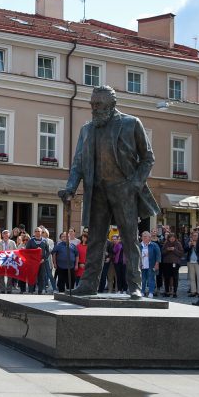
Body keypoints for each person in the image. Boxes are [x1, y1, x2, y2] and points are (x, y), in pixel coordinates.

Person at [59, 85, 159, 297]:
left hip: (124, 189)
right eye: (92, 104)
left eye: (99, 104)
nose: (94, 108)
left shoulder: (131, 124)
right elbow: (78, 162)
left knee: (129, 237)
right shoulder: (87, 129)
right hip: (97, 190)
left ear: (112, 105)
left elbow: (148, 158)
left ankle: (135, 286)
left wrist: (134, 184)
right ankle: (89, 284)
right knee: (95, 238)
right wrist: (70, 188)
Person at [26, 227, 51, 295]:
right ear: (34, 232)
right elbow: (27, 251)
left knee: (41, 276)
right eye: (36, 231)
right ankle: (31, 290)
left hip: (42, 262)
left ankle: (40, 290)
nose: (37, 232)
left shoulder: (44, 241)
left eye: (39, 231)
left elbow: (48, 251)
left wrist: (44, 259)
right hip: (33, 262)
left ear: (41, 232)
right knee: (32, 276)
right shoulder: (31, 241)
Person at [138, 230, 161, 298]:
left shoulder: (154, 245)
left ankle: (151, 292)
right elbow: (136, 255)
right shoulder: (139, 245)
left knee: (151, 279)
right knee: (143, 279)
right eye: (143, 237)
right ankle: (142, 291)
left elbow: (158, 255)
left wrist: (157, 263)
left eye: (146, 237)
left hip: (151, 265)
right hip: (142, 265)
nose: (144, 238)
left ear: (149, 237)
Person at [160, 232, 183, 297]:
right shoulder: (166, 244)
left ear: (175, 238)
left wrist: (174, 249)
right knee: (166, 277)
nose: (172, 239)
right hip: (166, 263)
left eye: (173, 238)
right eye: (170, 238)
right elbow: (162, 253)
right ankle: (167, 291)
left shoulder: (178, 244)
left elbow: (181, 254)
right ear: (168, 238)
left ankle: (175, 292)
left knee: (175, 277)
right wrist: (167, 250)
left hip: (175, 263)